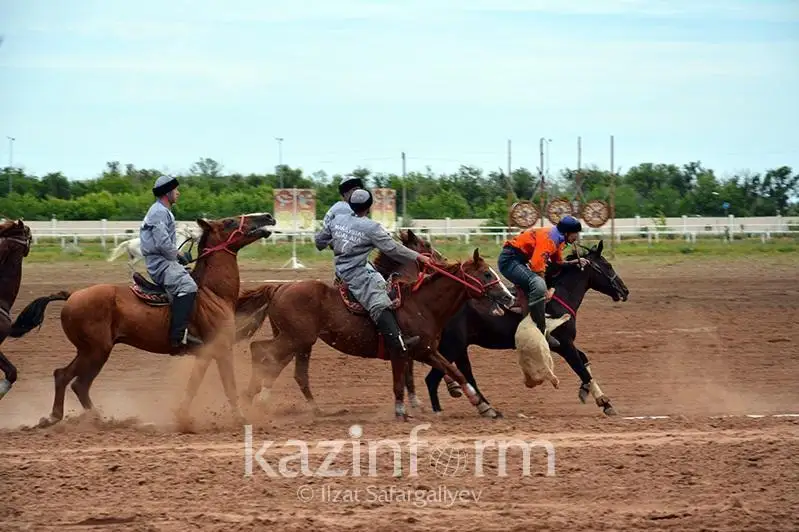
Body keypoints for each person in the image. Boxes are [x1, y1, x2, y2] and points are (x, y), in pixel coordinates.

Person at [314, 188, 432, 357]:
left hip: (341, 269)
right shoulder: (371, 228)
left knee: (382, 282)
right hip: (356, 274)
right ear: (369, 207)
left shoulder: (337, 219)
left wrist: (338, 241)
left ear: (350, 204)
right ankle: (397, 341)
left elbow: (319, 242)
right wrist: (419, 257)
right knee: (380, 301)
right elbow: (393, 249)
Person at [497, 215, 589, 349]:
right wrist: (544, 290)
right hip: (510, 260)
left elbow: (557, 262)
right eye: (575, 234)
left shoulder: (558, 239)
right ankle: (541, 331)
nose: (576, 237)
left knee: (541, 281)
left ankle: (525, 310)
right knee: (539, 286)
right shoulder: (550, 240)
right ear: (566, 232)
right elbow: (536, 265)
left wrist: (572, 262)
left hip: (519, 260)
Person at [139, 175, 203, 350]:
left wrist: (177, 256)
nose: (178, 193)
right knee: (188, 287)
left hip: (163, 260)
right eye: (176, 190)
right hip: (161, 264)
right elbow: (162, 243)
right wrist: (178, 255)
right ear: (167, 193)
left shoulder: (161, 210)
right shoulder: (159, 211)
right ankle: (178, 336)